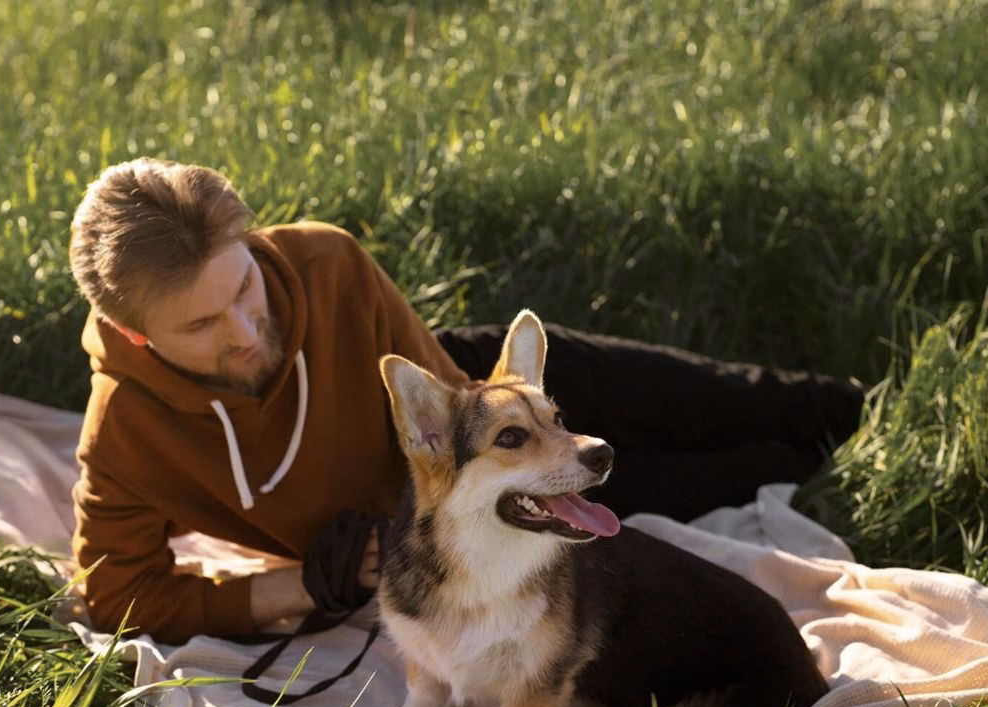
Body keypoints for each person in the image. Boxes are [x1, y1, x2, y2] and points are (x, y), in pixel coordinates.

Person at [68, 158, 863, 644]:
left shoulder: (326, 264)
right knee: (710, 482)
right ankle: (818, 463)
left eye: (245, 285)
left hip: (468, 408)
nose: (245, 330)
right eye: (203, 324)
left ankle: (859, 407)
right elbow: (116, 593)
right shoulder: (125, 437)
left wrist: (532, 438)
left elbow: (460, 416)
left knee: (736, 401)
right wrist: (304, 588)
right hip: (465, 518)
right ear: (133, 336)